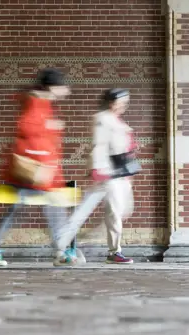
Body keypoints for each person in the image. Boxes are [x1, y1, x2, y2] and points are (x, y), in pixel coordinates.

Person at [0, 68, 78, 267]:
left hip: (34, 170)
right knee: (52, 206)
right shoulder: (36, 104)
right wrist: (49, 129)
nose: (67, 91)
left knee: (17, 209)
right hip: (34, 170)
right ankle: (60, 250)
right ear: (53, 87)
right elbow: (27, 129)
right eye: (63, 87)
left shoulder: (40, 103)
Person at [56, 88, 139, 264]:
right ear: (111, 101)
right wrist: (96, 171)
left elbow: (126, 150)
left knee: (116, 213)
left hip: (118, 175)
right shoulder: (103, 119)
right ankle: (61, 247)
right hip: (106, 174)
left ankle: (110, 251)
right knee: (90, 212)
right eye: (121, 100)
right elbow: (99, 145)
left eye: (126, 101)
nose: (124, 104)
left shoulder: (118, 122)